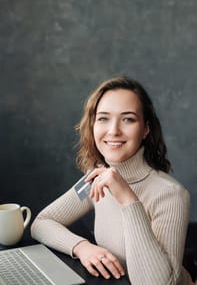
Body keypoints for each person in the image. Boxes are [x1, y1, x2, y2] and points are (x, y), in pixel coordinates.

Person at [31, 76, 193, 285]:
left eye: (128, 119)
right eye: (103, 118)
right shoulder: (95, 177)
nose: (113, 130)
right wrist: (82, 248)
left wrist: (128, 198)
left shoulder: (172, 194)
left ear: (145, 129)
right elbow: (41, 223)